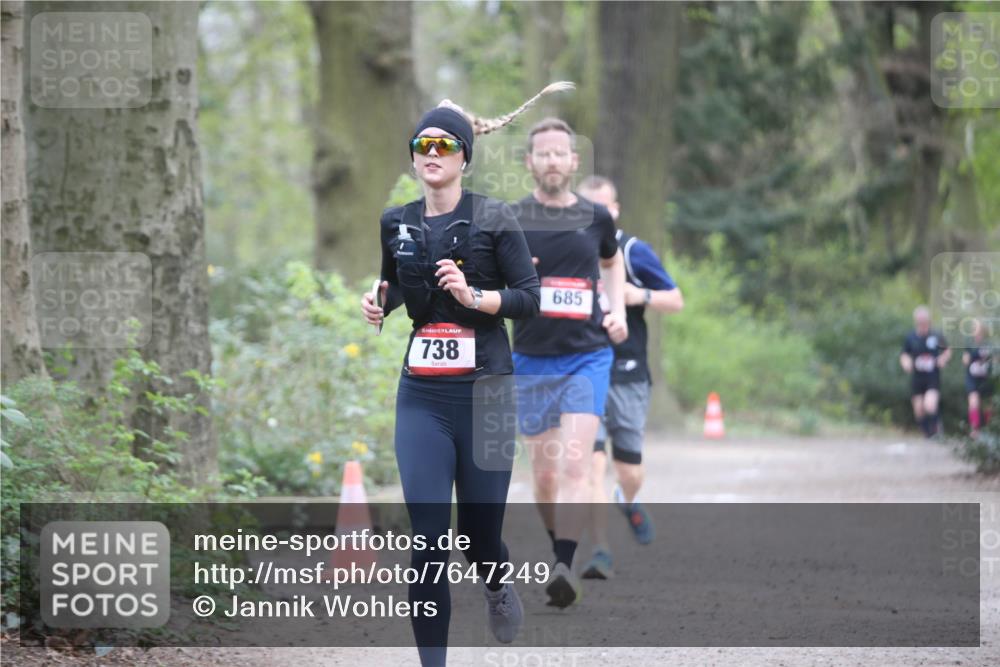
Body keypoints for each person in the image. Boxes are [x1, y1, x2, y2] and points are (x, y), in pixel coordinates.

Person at [360, 84, 570, 666]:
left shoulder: (494, 217)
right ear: (412, 157)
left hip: (487, 394)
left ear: (464, 157)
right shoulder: (396, 222)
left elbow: (530, 299)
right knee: (428, 542)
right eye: (422, 144)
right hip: (422, 396)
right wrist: (380, 303)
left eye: (445, 145)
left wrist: (475, 297)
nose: (432, 153)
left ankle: (496, 580)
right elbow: (396, 284)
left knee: (479, 538)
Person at [510, 118, 629, 608]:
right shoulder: (512, 219)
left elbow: (612, 262)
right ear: (530, 162)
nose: (553, 161)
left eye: (561, 153)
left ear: (574, 161)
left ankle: (563, 565)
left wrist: (617, 310)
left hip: (588, 355)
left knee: (577, 465)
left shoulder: (596, 217)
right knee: (544, 478)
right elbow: (488, 278)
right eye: (544, 153)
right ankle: (558, 545)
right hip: (531, 358)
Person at [573, 175, 683, 581]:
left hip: (629, 374)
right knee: (591, 465)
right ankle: (600, 549)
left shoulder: (634, 251)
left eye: (603, 207)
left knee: (629, 470)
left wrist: (641, 295)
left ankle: (628, 498)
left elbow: (676, 299)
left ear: (615, 211)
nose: (595, 214)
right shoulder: (569, 251)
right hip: (584, 371)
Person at [900, 305, 951, 438]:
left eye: (924, 321)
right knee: (919, 410)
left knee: (930, 404)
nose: (922, 324)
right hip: (917, 377)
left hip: (932, 376)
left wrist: (942, 359)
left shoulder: (936, 335)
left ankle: (936, 431)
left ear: (928, 321)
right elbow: (904, 354)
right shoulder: (911, 337)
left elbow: (947, 350)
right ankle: (927, 433)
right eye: (919, 321)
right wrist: (906, 363)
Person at [963, 319, 995, 436]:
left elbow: (995, 360)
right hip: (972, 378)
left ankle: (988, 430)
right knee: (973, 402)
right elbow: (965, 360)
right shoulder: (969, 343)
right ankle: (974, 430)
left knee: (988, 406)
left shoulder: (989, 344)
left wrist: (989, 361)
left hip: (986, 379)